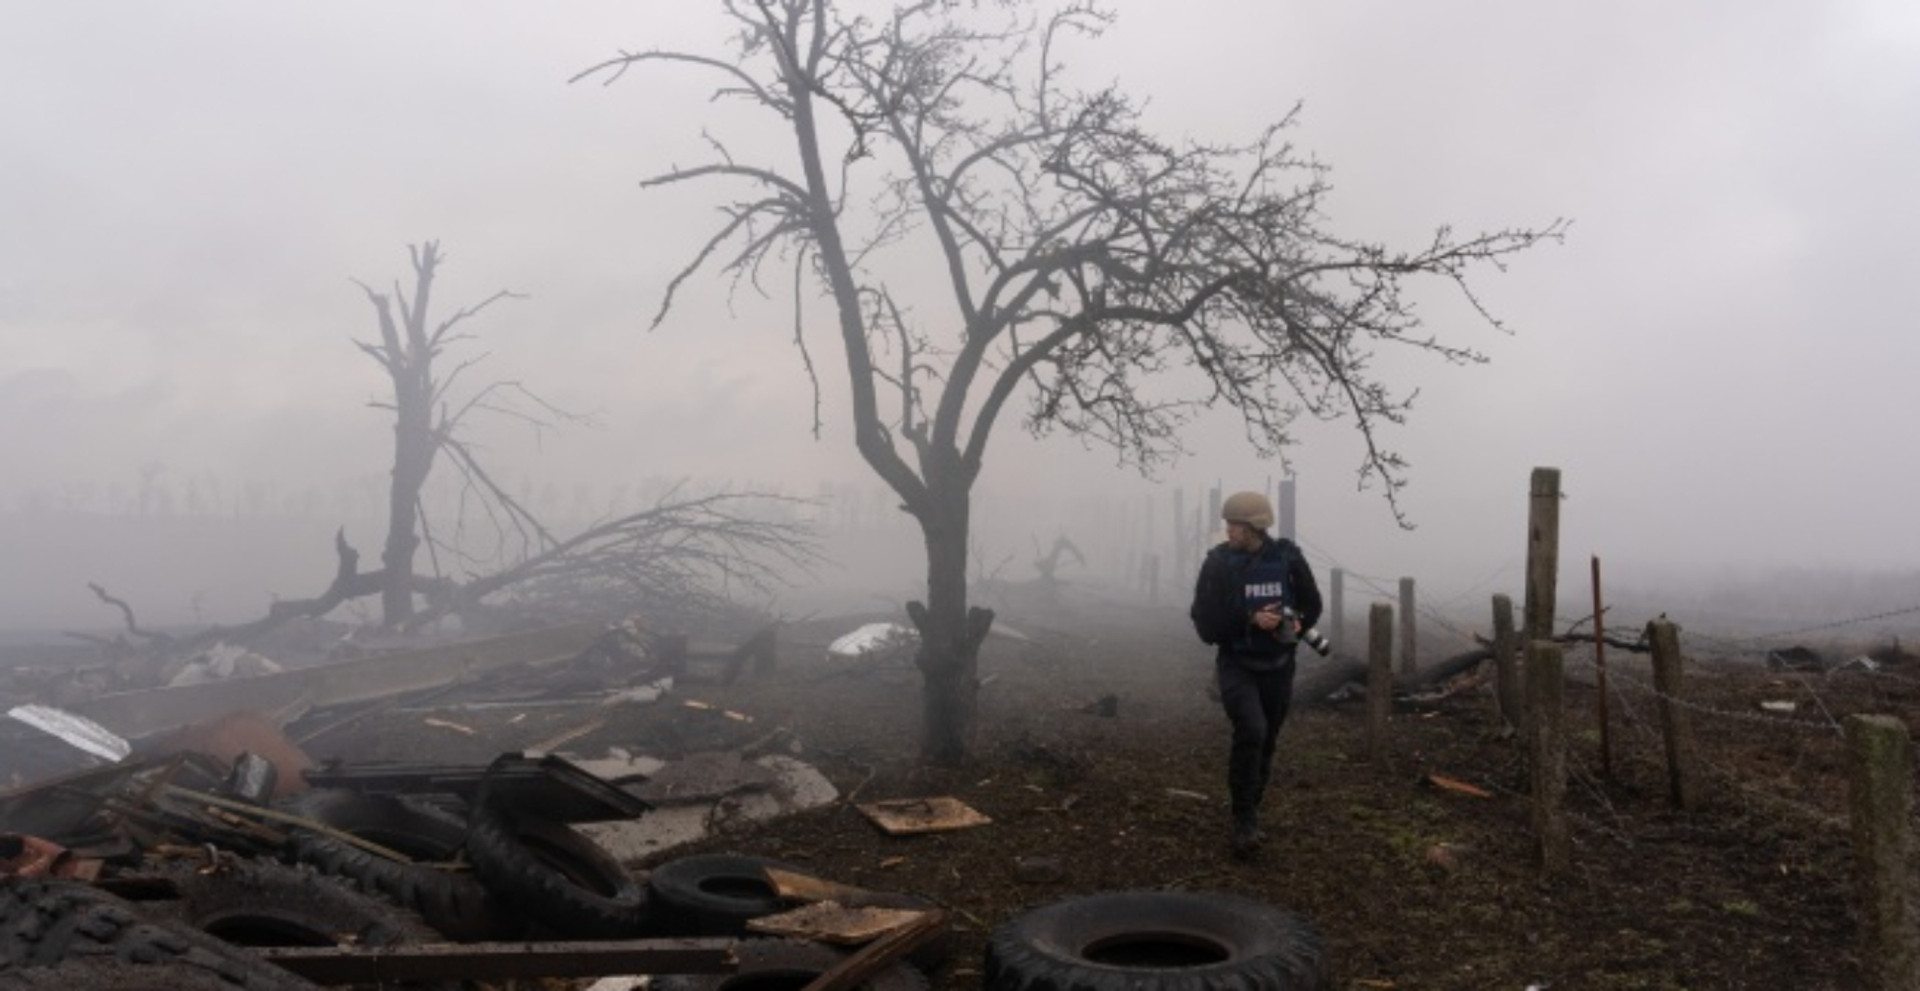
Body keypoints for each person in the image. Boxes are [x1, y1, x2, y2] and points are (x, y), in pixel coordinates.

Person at [1189, 490, 1323, 859]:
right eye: (1228, 524)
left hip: (1279, 664)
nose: (1229, 531)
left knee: (1267, 740)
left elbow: (1312, 604)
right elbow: (1204, 622)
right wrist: (1248, 619)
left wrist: (1293, 622)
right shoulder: (1217, 565)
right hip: (1236, 663)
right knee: (1252, 729)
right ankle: (1243, 818)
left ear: (1256, 527)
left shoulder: (1288, 558)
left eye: (1236, 525)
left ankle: (1252, 803)